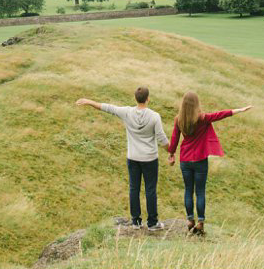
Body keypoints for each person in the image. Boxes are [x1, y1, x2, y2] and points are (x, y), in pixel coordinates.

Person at [76, 87, 170, 230]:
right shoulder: (154, 116)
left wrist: (89, 101)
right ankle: (152, 223)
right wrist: (171, 150)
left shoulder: (127, 112)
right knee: (150, 190)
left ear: (135, 98)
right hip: (150, 158)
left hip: (132, 157)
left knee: (134, 188)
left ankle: (136, 222)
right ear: (148, 98)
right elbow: (162, 139)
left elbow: (107, 108)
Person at [167, 91, 252, 236]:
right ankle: (200, 222)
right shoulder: (202, 118)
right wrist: (238, 110)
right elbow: (220, 115)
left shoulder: (178, 119)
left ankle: (189, 220)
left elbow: (174, 139)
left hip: (185, 160)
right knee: (200, 191)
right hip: (200, 160)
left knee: (188, 190)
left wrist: (171, 154)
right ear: (196, 104)